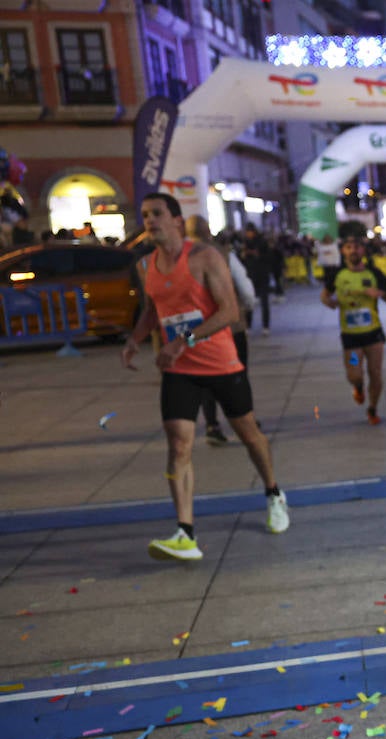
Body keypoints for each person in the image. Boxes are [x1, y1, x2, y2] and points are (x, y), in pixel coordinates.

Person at [120, 193, 289, 560]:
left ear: (177, 221)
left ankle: (274, 493)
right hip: (180, 369)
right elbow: (153, 308)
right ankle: (185, 533)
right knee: (179, 444)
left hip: (220, 363)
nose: (150, 221)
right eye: (145, 214)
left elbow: (230, 311)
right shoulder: (146, 265)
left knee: (249, 435)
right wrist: (134, 340)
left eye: (158, 214)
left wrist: (184, 340)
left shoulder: (204, 257)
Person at [184, 216, 255, 446]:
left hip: (200, 328)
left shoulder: (179, 257)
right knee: (238, 373)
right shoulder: (224, 253)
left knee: (205, 378)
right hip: (229, 326)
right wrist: (247, 307)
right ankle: (246, 419)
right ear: (208, 230)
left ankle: (212, 425)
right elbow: (244, 287)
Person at [322, 235, 386, 425]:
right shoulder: (337, 274)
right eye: (349, 247)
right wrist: (331, 303)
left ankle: (372, 408)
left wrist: (379, 293)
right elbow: (325, 295)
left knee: (376, 372)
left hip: (373, 334)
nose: (353, 250)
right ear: (343, 251)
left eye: (357, 247)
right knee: (354, 373)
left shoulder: (374, 273)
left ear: (363, 251)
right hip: (351, 338)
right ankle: (358, 386)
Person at [238, 224, 274, 336]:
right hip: (251, 275)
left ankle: (265, 326)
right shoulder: (245, 243)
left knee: (264, 302)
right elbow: (242, 259)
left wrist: (255, 254)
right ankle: (248, 325)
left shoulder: (262, 242)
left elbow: (268, 257)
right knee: (249, 301)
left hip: (262, 275)